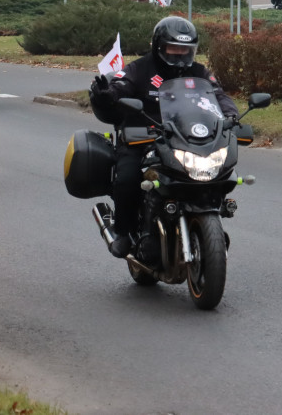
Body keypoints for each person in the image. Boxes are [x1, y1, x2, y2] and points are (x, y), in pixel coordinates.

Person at [88, 16, 240, 258]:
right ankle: (123, 231)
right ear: (158, 46)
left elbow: (218, 95)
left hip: (185, 139)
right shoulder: (139, 69)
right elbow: (120, 86)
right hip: (142, 137)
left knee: (216, 173)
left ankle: (209, 217)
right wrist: (106, 95)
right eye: (174, 48)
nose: (180, 54)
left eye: (185, 49)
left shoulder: (199, 72)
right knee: (127, 178)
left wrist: (231, 116)